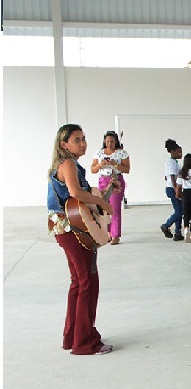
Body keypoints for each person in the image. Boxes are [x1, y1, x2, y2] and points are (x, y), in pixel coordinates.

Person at [46, 124, 114, 355]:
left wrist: (102, 197)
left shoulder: (68, 164)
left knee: (78, 282)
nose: (83, 143)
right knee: (88, 282)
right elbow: (75, 193)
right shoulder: (67, 164)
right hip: (72, 230)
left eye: (84, 139)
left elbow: (81, 200)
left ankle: (73, 336)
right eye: (77, 140)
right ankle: (85, 343)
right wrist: (104, 203)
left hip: (67, 228)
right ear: (63, 144)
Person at [89, 131, 130, 245]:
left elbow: (127, 169)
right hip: (103, 180)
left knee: (115, 209)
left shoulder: (122, 153)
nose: (109, 144)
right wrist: (100, 165)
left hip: (115, 179)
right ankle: (107, 233)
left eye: (112, 141)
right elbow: (93, 169)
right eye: (107, 141)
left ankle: (115, 235)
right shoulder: (99, 153)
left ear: (116, 141)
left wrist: (114, 164)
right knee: (104, 208)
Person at [160, 139, 184, 240]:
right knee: (179, 212)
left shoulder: (174, 162)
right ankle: (166, 225)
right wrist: (176, 190)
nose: (180, 154)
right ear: (173, 151)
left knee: (180, 210)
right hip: (172, 189)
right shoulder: (171, 162)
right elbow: (172, 177)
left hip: (174, 188)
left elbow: (166, 177)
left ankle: (178, 232)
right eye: (179, 152)